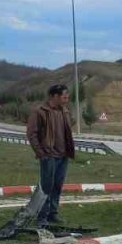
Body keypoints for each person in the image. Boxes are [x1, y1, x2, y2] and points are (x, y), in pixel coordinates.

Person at [26, 83, 76, 226]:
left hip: (63, 155)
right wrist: (41, 154)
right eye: (64, 97)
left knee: (57, 186)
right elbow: (31, 134)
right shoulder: (39, 111)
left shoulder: (64, 111)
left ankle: (52, 214)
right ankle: (41, 217)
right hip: (49, 156)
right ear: (55, 96)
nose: (67, 99)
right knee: (46, 187)